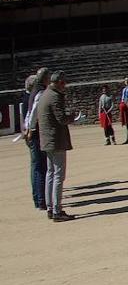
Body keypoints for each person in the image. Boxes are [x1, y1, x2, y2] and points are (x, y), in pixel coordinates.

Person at [37, 71, 76, 222]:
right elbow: (61, 119)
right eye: (64, 82)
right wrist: (71, 117)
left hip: (47, 140)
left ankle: (51, 207)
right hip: (56, 139)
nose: (65, 85)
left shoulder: (45, 95)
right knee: (58, 174)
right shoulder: (55, 96)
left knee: (51, 174)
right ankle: (57, 210)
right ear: (59, 82)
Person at [21, 69, 50, 210]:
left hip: (32, 133)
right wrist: (30, 129)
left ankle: (39, 199)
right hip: (37, 134)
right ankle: (41, 199)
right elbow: (33, 115)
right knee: (40, 168)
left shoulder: (31, 94)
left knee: (37, 167)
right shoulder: (39, 93)